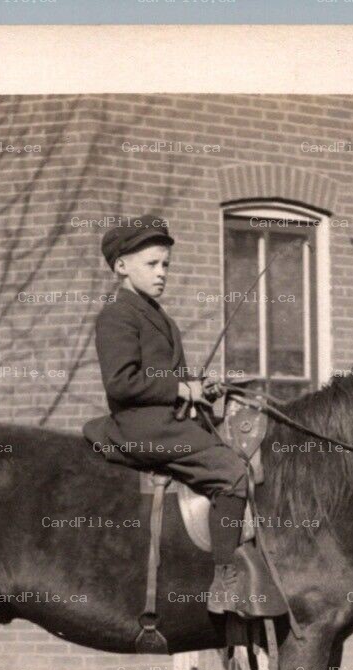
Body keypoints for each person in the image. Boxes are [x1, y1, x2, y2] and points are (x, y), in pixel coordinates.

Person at [93, 214, 247, 613]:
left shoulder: (158, 314)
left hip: (167, 420)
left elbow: (164, 376)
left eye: (166, 265)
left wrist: (200, 386)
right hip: (142, 425)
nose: (162, 273)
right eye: (152, 264)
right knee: (232, 473)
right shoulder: (117, 313)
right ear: (121, 266)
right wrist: (182, 388)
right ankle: (225, 580)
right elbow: (121, 382)